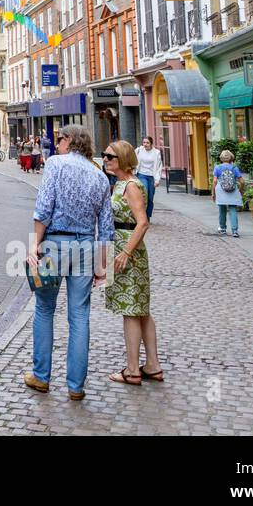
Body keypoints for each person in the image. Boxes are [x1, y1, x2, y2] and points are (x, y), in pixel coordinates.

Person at [25, 125, 114, 401]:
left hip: (54, 244)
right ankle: (76, 386)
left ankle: (41, 376)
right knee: (79, 315)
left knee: (44, 308)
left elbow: (44, 207)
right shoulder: (99, 175)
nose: (57, 144)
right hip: (86, 246)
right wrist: (103, 266)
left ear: (71, 141)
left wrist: (33, 246)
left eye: (60, 139)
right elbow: (107, 227)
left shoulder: (55, 164)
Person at [102, 139, 164, 386]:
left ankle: (132, 370)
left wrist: (126, 252)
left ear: (123, 160)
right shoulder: (120, 184)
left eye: (110, 156)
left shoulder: (131, 186)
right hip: (121, 245)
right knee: (140, 310)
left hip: (127, 248)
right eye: (105, 156)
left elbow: (143, 222)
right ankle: (152, 365)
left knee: (131, 311)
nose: (105, 160)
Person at [212, 149, 243, 237]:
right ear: (231, 158)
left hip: (221, 190)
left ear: (221, 158)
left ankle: (222, 229)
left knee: (222, 209)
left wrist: (213, 193)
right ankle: (235, 231)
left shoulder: (217, 167)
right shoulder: (234, 168)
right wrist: (240, 190)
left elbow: (214, 181)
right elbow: (242, 181)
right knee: (233, 209)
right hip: (233, 190)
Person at [134, 136, 163, 221]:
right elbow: (132, 159)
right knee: (144, 193)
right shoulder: (139, 150)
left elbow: (158, 167)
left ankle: (147, 215)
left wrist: (157, 180)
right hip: (141, 174)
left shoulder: (156, 152)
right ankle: (141, 215)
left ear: (151, 144)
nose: (145, 144)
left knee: (150, 197)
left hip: (151, 176)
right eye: (144, 142)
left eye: (147, 143)